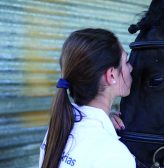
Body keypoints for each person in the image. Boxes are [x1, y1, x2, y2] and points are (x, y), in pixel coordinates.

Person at [39, 28, 135, 168]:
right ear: (111, 75)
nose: (131, 68)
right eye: (126, 62)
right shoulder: (114, 156)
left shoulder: (57, 130)